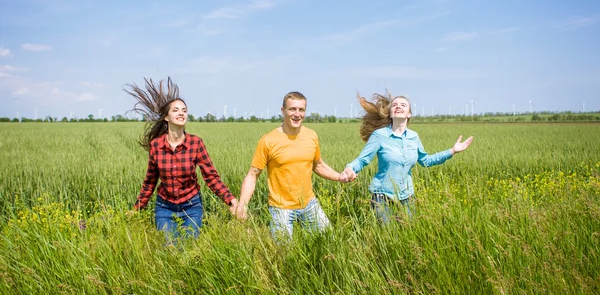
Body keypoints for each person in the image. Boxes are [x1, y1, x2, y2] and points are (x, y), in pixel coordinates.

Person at [124, 77, 238, 239]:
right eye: (176, 110)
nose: (181, 113)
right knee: (169, 245)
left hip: (191, 206)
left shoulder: (195, 143)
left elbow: (211, 177)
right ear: (166, 117)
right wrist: (136, 209)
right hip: (164, 207)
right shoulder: (156, 146)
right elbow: (150, 182)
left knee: (188, 244)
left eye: (184, 110)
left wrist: (230, 199)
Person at [339, 92, 474, 223]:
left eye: (403, 105)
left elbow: (426, 161)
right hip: (382, 196)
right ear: (391, 113)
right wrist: (350, 168)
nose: (398, 106)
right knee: (388, 235)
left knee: (407, 234)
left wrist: (453, 150)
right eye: (394, 105)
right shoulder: (379, 136)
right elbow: (363, 159)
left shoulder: (414, 137)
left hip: (407, 197)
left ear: (409, 114)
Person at [234, 91, 347, 238]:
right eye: (292, 109)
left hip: (309, 204)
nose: (297, 114)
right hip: (281, 208)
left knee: (329, 241)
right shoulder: (268, 140)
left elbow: (318, 165)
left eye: (301, 110)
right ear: (283, 111)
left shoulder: (311, 136)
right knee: (284, 253)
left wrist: (340, 177)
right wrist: (242, 204)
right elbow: (252, 175)